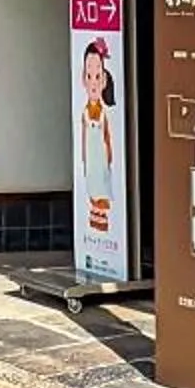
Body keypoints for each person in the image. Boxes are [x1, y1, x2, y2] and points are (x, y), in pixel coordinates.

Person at [77, 37, 119, 241]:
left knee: (101, 191)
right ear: (83, 78)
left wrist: (109, 160)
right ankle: (95, 225)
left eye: (97, 76)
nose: (93, 82)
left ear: (104, 80)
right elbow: (83, 138)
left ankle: (103, 224)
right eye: (89, 75)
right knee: (93, 190)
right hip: (91, 162)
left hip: (101, 160)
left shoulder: (104, 113)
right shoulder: (85, 112)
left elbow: (108, 139)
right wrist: (84, 161)